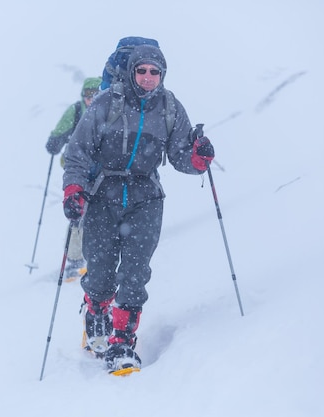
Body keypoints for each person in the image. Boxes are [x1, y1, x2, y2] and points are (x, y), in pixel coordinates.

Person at [61, 43, 215, 372]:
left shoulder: (170, 108)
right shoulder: (106, 103)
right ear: (131, 72)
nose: (148, 77)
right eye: (141, 71)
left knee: (134, 272)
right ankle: (97, 312)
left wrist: (198, 158)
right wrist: (74, 188)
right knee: (100, 270)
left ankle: (122, 342)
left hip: (146, 198)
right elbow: (78, 152)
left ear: (162, 74)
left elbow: (180, 156)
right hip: (103, 195)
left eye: (154, 72)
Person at [45, 76, 102, 282]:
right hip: (78, 169)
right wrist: (55, 141)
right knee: (78, 211)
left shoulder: (109, 110)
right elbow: (59, 132)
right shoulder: (76, 112)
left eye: (96, 94)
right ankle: (76, 260)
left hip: (103, 171)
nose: (92, 99)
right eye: (88, 95)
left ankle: (97, 255)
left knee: (99, 213)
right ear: (83, 97)